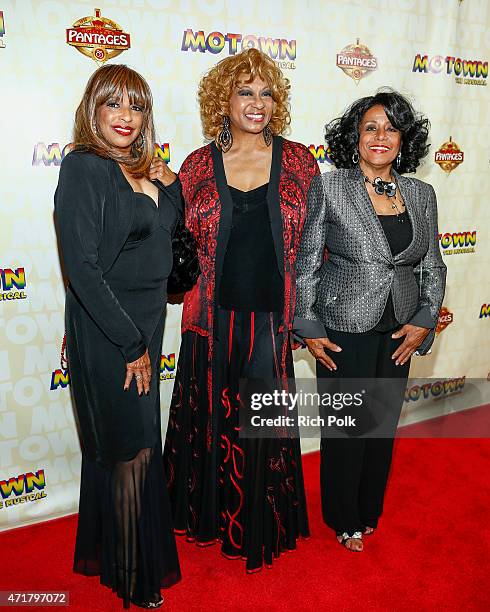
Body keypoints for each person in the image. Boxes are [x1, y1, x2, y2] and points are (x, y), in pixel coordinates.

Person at [162, 48, 319, 573]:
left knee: (264, 426)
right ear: (222, 101)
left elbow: (317, 248)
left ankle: (260, 526)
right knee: (211, 426)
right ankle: (209, 520)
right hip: (212, 319)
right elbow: (175, 246)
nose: (257, 103)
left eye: (266, 92)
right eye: (245, 92)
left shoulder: (299, 161)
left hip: (273, 321)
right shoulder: (194, 166)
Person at [294, 90, 446, 552]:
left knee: (381, 424)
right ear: (354, 137)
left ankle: (369, 510)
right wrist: (309, 325)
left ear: (404, 139)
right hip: (343, 323)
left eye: (391, 128)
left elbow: (432, 265)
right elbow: (305, 264)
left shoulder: (420, 193)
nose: (381, 137)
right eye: (370, 128)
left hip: (401, 325)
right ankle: (343, 517)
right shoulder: (331, 186)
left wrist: (425, 317)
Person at [54, 64, 181, 608]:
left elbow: (172, 235)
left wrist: (168, 182)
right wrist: (129, 345)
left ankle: (116, 551)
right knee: (130, 448)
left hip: (148, 325)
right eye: (114, 104)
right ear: (93, 111)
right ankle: (133, 576)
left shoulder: (144, 171)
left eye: (137, 106)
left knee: (138, 445)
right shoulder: (84, 167)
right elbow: (81, 267)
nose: (126, 116)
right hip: (110, 332)